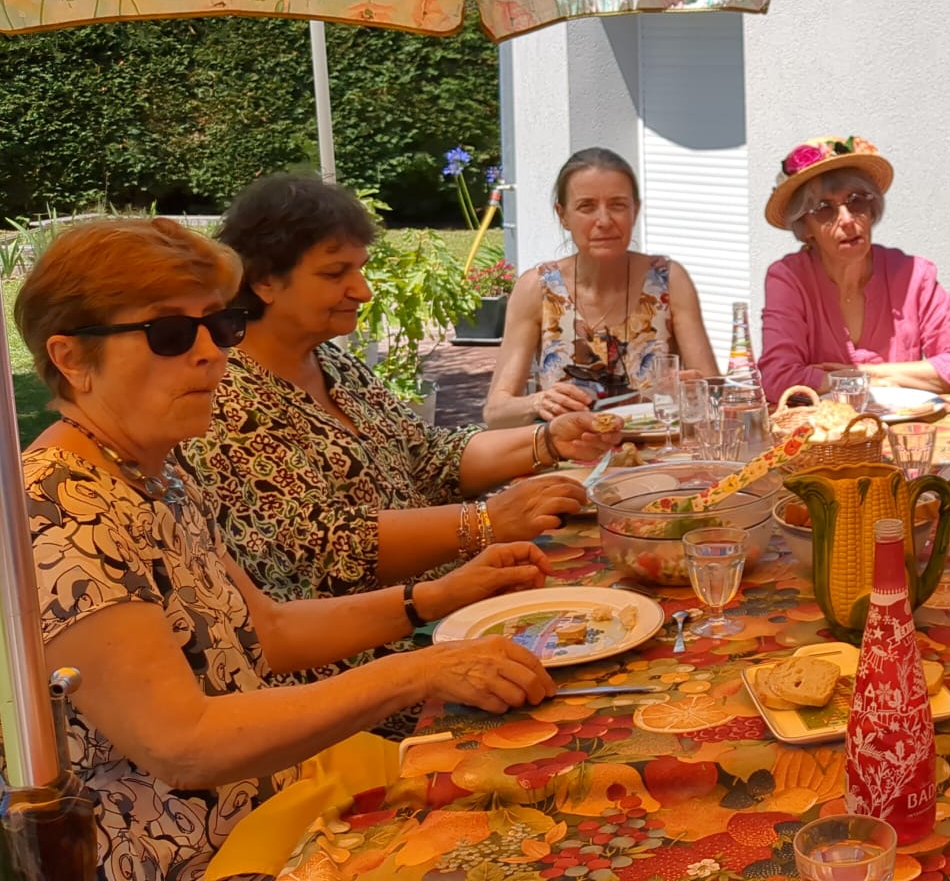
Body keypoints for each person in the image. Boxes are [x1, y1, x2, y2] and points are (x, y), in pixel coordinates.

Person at [12, 218, 557, 877]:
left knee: (546, 779)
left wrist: (439, 596)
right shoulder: (56, 510)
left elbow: (263, 631)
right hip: (210, 854)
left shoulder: (151, 470)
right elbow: (183, 745)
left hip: (278, 796)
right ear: (71, 359)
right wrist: (416, 671)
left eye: (219, 325)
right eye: (171, 333)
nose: (212, 353)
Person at [183, 175, 620, 732]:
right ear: (265, 280)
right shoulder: (225, 398)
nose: (362, 290)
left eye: (360, 269)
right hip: (362, 677)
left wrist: (547, 440)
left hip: (443, 616)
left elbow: (426, 455)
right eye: (335, 273)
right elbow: (325, 545)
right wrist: (484, 523)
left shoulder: (333, 364)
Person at [485, 147, 720, 426]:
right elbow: (495, 412)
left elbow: (714, 393)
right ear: (563, 215)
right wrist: (538, 402)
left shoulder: (667, 281)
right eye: (586, 207)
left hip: (657, 449)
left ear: (635, 211)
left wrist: (694, 390)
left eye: (618, 205)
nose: (605, 221)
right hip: (568, 452)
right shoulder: (538, 288)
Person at [757, 134, 950, 397]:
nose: (847, 219)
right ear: (805, 228)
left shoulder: (912, 275)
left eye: (856, 201)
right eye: (824, 209)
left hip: (909, 423)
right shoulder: (789, 279)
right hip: (829, 424)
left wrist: (870, 375)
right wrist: (878, 382)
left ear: (871, 210)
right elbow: (777, 377)